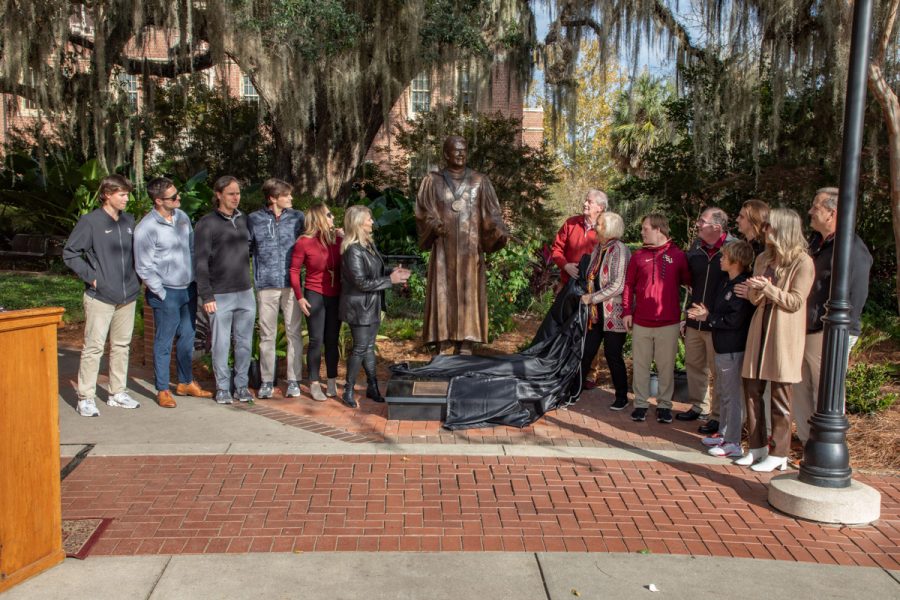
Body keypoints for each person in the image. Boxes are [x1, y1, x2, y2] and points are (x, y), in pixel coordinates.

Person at [415, 135, 509, 355]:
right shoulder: (433, 180)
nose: (460, 154)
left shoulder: (479, 181)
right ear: (446, 154)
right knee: (443, 291)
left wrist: (499, 230)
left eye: (463, 149)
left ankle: (466, 342)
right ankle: (444, 341)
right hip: (443, 250)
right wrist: (433, 223)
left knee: (469, 292)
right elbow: (423, 211)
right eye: (455, 150)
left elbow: (492, 214)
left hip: (470, 248)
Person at [793, 188, 872, 446]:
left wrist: (838, 329)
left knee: (826, 392)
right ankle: (807, 446)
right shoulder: (817, 244)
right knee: (800, 389)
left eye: (816, 207)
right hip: (806, 329)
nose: (810, 212)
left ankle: (827, 448)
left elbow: (855, 296)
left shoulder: (851, 249)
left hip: (830, 332)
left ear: (832, 213)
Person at [738, 208, 814, 472]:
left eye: (770, 225)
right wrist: (756, 291)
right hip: (759, 327)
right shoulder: (762, 258)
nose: (766, 230)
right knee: (751, 389)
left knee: (780, 394)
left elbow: (795, 301)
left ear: (784, 229)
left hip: (783, 331)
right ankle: (756, 447)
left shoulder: (802, 262)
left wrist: (768, 288)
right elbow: (753, 297)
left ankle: (779, 452)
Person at [63, 174, 142, 417]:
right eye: (121, 194)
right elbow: (71, 253)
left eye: (127, 194)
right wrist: (93, 277)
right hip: (100, 296)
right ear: (107, 194)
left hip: (127, 294)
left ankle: (117, 392)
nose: (126, 199)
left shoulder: (128, 221)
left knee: (121, 345)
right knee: (94, 347)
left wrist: (136, 281)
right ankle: (85, 396)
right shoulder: (90, 222)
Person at [133, 177, 212, 408]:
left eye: (178, 195)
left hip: (188, 288)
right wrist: (161, 292)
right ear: (158, 201)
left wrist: (195, 278)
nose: (179, 199)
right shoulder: (146, 228)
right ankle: (163, 388)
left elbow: (191, 249)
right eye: (174, 197)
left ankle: (186, 382)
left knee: (187, 336)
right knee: (164, 341)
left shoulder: (183, 218)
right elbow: (143, 267)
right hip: (165, 293)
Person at [687, 240, 756, 458]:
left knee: (732, 396)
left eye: (725, 257)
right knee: (724, 392)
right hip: (722, 346)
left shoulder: (741, 285)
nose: (721, 259)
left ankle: (733, 441)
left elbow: (735, 319)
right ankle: (724, 434)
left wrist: (708, 318)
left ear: (736, 261)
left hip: (733, 347)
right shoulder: (727, 282)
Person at [339, 205, 410, 408]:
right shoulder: (353, 250)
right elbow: (361, 282)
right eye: (369, 219)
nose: (372, 222)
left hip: (372, 305)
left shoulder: (367, 245)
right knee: (360, 348)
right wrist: (390, 280)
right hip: (359, 307)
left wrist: (392, 271)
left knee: (369, 348)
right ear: (359, 222)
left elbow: (375, 271)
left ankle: (372, 386)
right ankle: (348, 390)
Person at [621, 214, 690, 424]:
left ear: (659, 229)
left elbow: (689, 285)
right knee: (640, 365)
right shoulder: (638, 256)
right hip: (641, 321)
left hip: (668, 322)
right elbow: (628, 286)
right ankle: (640, 405)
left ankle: (664, 406)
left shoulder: (677, 255)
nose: (642, 232)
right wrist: (626, 312)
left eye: (645, 228)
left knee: (666, 367)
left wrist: (685, 315)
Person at [195, 176, 255, 405]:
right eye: (231, 193)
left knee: (244, 343)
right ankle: (222, 387)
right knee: (221, 343)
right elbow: (200, 263)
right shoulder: (206, 223)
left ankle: (241, 386)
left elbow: (249, 250)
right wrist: (207, 295)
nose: (235, 197)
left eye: (238, 193)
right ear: (218, 195)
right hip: (219, 294)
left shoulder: (243, 219)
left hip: (245, 292)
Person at [248, 178, 305, 399]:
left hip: (292, 286)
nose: (291, 198)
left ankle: (293, 380)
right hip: (266, 285)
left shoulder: (298, 217)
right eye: (286, 194)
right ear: (273, 198)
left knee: (294, 334)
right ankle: (266, 381)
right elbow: (248, 248)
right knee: (267, 336)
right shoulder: (254, 219)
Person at [678, 207, 733, 435]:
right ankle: (699, 406)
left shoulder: (733, 248)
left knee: (717, 371)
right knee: (694, 365)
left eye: (702, 221)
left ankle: (717, 416)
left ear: (717, 227)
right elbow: (689, 283)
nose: (698, 224)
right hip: (693, 319)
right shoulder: (696, 248)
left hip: (716, 322)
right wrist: (685, 315)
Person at [290, 203, 342, 402]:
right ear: (319, 217)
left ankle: (331, 379)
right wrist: (299, 297)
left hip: (336, 295)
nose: (333, 218)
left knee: (332, 340)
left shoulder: (337, 240)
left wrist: (345, 238)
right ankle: (313, 382)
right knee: (316, 340)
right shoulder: (304, 242)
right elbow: (294, 271)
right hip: (314, 294)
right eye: (329, 215)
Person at [579, 211, 631, 409]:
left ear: (610, 228)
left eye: (599, 224)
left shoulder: (620, 249)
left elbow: (618, 285)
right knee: (586, 351)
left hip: (613, 313)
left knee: (613, 355)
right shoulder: (598, 249)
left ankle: (621, 396)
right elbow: (591, 276)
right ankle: (575, 389)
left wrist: (591, 298)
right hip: (596, 313)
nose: (595, 226)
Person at [552, 189, 607, 287]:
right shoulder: (570, 223)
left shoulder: (606, 229)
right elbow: (556, 249)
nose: (585, 203)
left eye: (590, 202)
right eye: (586, 200)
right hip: (567, 284)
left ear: (600, 207)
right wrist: (565, 265)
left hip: (593, 289)